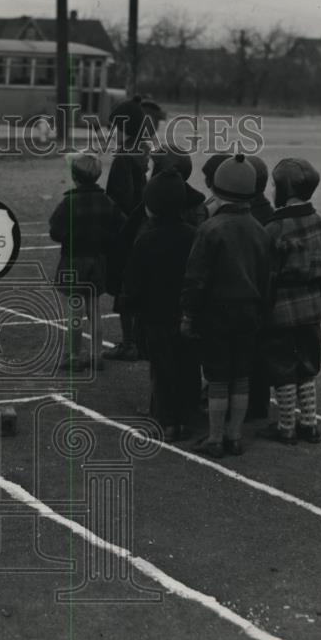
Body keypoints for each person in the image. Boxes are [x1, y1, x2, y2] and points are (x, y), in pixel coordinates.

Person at [180, 155, 274, 459]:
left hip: (216, 313)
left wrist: (188, 314)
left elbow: (196, 278)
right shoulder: (260, 230)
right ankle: (235, 436)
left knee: (218, 377)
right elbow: (266, 278)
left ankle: (216, 437)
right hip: (250, 313)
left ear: (218, 188)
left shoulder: (210, 229)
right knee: (241, 376)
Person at [258, 158, 321, 445]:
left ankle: (286, 427)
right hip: (312, 307)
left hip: (280, 309)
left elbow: (266, 274)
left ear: (282, 188)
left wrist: (263, 306)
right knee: (308, 364)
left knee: (282, 366)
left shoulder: (274, 228)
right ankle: (310, 423)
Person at [123, 171, 199, 441]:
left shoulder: (145, 241)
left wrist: (129, 304)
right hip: (187, 314)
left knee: (162, 368)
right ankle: (187, 418)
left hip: (155, 317)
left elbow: (133, 284)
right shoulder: (194, 235)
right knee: (188, 366)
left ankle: (166, 419)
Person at [49, 152, 125, 372]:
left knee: (75, 309)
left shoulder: (69, 202)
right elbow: (120, 226)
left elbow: (55, 232)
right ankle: (96, 354)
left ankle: (73, 355)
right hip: (98, 259)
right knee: (94, 307)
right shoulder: (107, 201)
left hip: (73, 259)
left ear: (74, 176)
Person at [103, 95, 153, 362]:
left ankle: (129, 343)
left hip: (127, 231)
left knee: (124, 290)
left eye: (116, 126)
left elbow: (119, 198)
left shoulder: (124, 158)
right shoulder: (142, 150)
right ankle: (140, 340)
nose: (112, 132)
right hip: (142, 225)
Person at [244, 154, 275, 421]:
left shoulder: (246, 216)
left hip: (246, 295)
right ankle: (259, 404)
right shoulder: (271, 214)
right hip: (268, 297)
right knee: (261, 353)